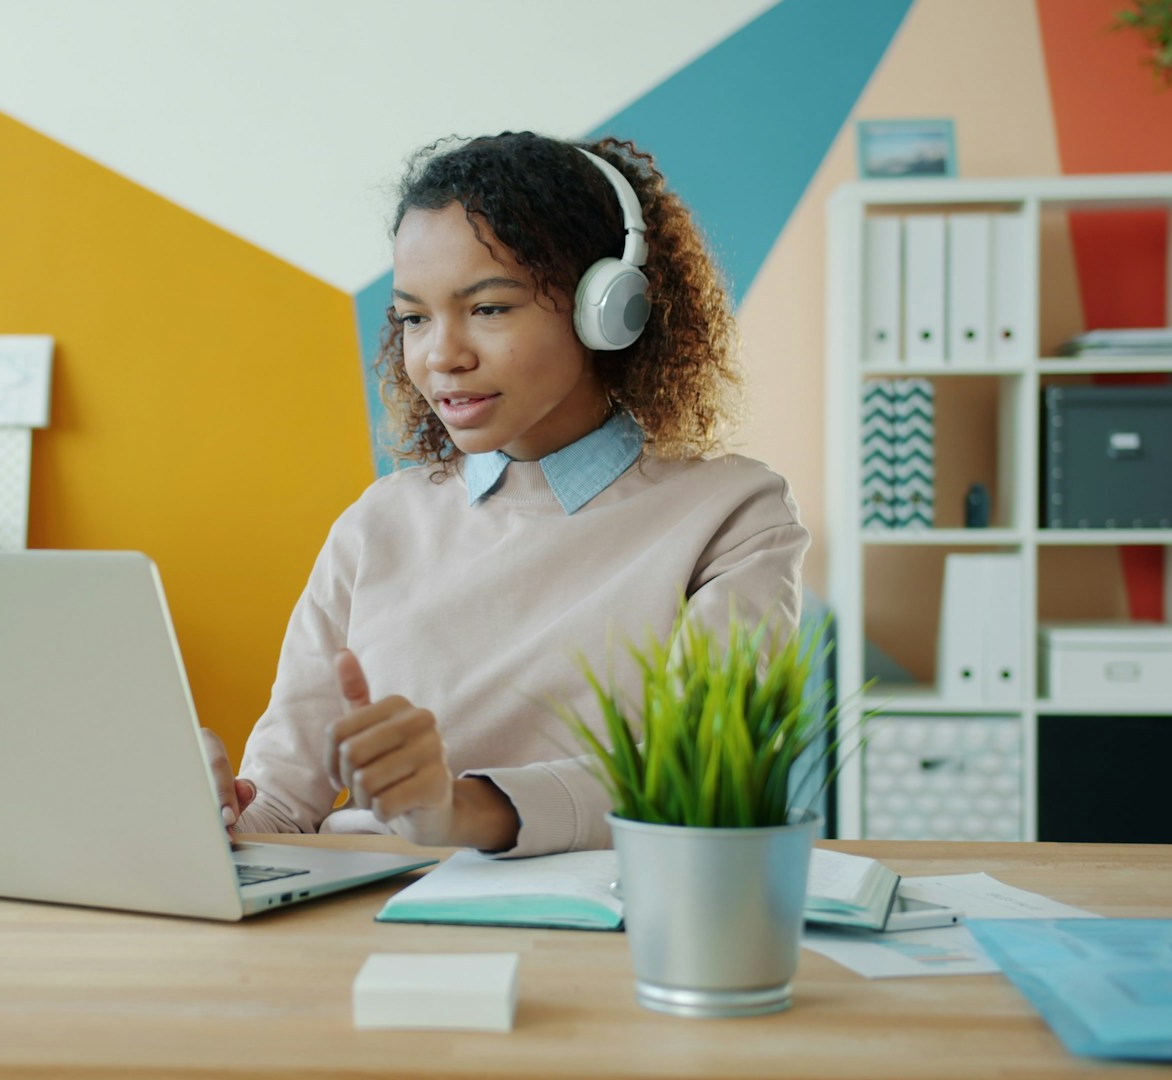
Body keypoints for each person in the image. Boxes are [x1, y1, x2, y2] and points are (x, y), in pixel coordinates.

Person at [200, 131, 809, 857]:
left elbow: (694, 782)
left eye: (487, 309)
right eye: (414, 318)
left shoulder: (734, 516)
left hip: (606, 926)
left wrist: (462, 810)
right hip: (372, 920)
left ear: (607, 309)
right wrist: (215, 813)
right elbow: (280, 804)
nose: (440, 356)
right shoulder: (379, 523)